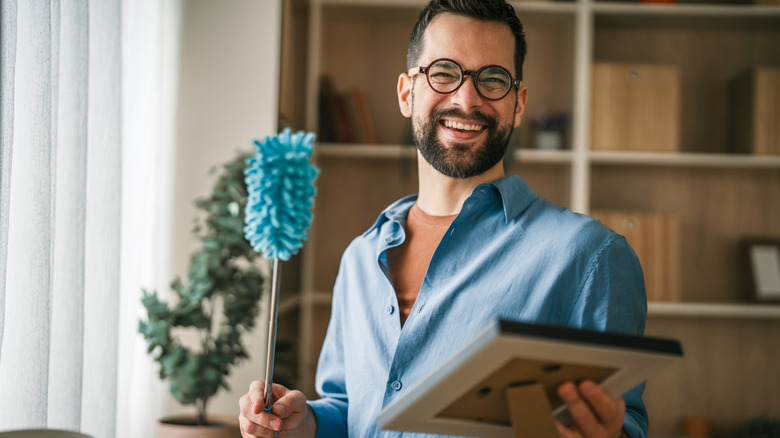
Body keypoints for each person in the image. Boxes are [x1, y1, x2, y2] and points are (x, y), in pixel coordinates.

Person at [239, 0, 648, 437]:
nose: (466, 99)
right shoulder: (361, 257)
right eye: (443, 73)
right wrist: (308, 424)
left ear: (519, 104)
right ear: (406, 93)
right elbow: (353, 409)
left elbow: (621, 424)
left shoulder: (590, 255)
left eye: (493, 78)